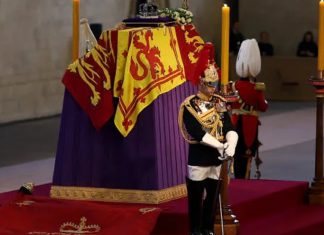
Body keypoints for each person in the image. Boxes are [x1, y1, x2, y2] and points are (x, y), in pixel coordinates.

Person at [178, 42, 238, 235]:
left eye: (215, 84)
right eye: (210, 84)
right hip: (199, 157)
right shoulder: (190, 105)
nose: (213, 88)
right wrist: (220, 146)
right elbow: (197, 132)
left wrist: (231, 146)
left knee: (212, 197)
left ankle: (208, 229)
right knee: (196, 198)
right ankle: (195, 231)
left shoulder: (219, 102)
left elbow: (229, 126)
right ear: (201, 82)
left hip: (217, 159)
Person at [230, 39, 268, 179]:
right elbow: (263, 107)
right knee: (246, 159)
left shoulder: (232, 86)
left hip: (234, 124)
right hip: (249, 127)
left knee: (235, 156)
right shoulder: (256, 88)